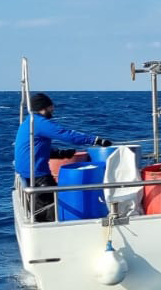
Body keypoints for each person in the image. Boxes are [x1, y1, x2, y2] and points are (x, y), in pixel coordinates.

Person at [13, 93, 110, 222]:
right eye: (51, 107)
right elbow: (67, 135)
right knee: (53, 209)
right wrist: (96, 140)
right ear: (44, 107)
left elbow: (33, 149)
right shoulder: (39, 123)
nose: (53, 109)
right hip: (38, 176)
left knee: (39, 209)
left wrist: (59, 154)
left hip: (26, 175)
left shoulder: (27, 123)